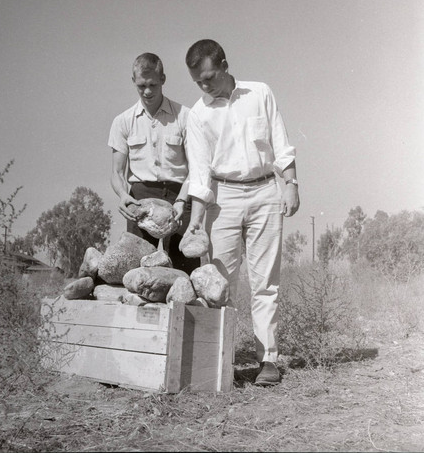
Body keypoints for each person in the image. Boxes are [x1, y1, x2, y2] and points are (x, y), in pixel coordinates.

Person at [183, 39, 300, 385]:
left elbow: (280, 141)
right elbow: (200, 173)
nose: (205, 86)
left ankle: (268, 361)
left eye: (209, 77)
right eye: (198, 82)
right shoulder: (198, 115)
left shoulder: (260, 93)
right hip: (224, 199)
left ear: (224, 64)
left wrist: (291, 183)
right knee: (220, 285)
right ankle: (222, 362)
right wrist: (195, 222)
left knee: (265, 283)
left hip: (266, 191)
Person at [108, 53, 200, 275]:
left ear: (163, 79)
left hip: (179, 198)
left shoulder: (185, 116)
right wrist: (123, 195)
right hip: (141, 198)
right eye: (141, 85)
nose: (147, 91)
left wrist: (181, 200)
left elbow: (197, 168)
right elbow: (116, 172)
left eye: (153, 85)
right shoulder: (123, 122)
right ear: (133, 81)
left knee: (184, 270)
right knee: (135, 270)